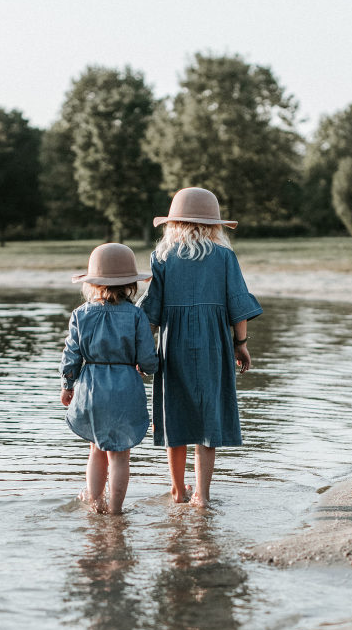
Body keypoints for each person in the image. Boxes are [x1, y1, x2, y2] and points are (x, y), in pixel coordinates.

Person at [139, 187, 263, 507]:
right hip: (213, 345)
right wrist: (241, 344)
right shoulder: (225, 257)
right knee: (209, 419)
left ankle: (178, 491)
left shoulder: (162, 258)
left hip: (173, 346)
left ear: (173, 224)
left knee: (175, 416)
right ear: (214, 226)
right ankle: (203, 496)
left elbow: (151, 312)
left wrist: (142, 351)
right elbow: (238, 306)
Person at [60, 243, 158, 515]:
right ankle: (115, 512)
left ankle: (96, 505)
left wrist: (67, 385)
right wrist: (148, 368)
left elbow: (71, 355)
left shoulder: (80, 314)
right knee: (120, 455)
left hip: (91, 388)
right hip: (125, 386)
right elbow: (147, 358)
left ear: (92, 283)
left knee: (96, 449)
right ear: (131, 285)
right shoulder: (137, 315)